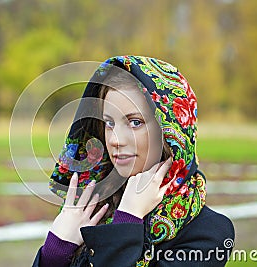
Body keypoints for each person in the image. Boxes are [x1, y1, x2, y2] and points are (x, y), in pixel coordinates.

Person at [32, 56, 235, 266]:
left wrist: (127, 220)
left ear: (170, 129)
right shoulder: (92, 211)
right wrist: (54, 254)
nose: (114, 140)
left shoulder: (209, 234)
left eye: (135, 122)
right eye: (108, 123)